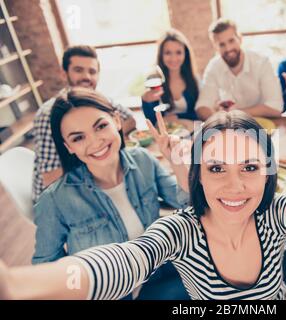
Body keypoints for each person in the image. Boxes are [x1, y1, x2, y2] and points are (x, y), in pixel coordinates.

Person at [1, 108, 286, 300]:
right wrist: (18, 286)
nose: (235, 187)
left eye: (250, 168)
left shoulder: (280, 210)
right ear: (196, 174)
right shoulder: (180, 229)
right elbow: (120, 262)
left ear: (270, 173)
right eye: (217, 169)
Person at [32, 87, 190, 299]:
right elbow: (45, 272)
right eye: (78, 138)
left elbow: (188, 203)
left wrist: (177, 162)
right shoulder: (54, 200)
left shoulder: (143, 160)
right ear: (68, 146)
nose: (95, 142)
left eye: (101, 126)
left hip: (157, 271)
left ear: (116, 120)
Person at [32, 45, 137, 203]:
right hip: (60, 197)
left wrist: (109, 140)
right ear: (64, 73)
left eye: (92, 71)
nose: (86, 77)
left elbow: (129, 120)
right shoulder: (49, 114)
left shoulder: (97, 100)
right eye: (79, 70)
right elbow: (51, 178)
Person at [195, 18, 283, 120]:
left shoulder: (261, 63)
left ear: (240, 39)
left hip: (263, 126)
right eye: (221, 44)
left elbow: (276, 107)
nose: (228, 49)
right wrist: (217, 118)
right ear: (215, 47)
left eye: (231, 41)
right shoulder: (213, 67)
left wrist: (234, 114)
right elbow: (202, 106)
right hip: (230, 127)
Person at [142, 29, 200, 125]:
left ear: (185, 54)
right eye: (168, 53)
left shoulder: (194, 80)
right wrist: (145, 102)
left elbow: (198, 115)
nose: (173, 58)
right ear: (161, 55)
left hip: (191, 132)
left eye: (178, 52)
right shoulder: (154, 80)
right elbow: (152, 121)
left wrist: (177, 117)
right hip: (166, 134)